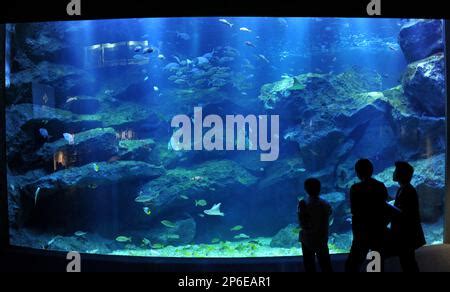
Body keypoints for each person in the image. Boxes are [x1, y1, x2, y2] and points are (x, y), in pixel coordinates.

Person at [345, 159, 389, 272]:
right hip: (377, 229)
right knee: (376, 265)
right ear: (371, 170)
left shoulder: (355, 188)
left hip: (361, 231)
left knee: (352, 264)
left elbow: (354, 210)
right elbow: (384, 207)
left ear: (357, 172)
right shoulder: (380, 186)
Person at [388, 161, 426, 272]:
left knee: (408, 263)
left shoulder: (409, 191)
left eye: (396, 171)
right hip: (403, 235)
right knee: (407, 262)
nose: (394, 173)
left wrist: (388, 208)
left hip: (407, 235)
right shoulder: (402, 189)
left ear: (401, 174)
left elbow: (406, 214)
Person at [298, 178, 333, 272]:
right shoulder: (325, 203)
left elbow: (302, 222)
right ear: (320, 189)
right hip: (322, 238)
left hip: (307, 239)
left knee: (309, 265)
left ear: (305, 189)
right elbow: (329, 215)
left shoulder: (303, 203)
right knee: (326, 265)